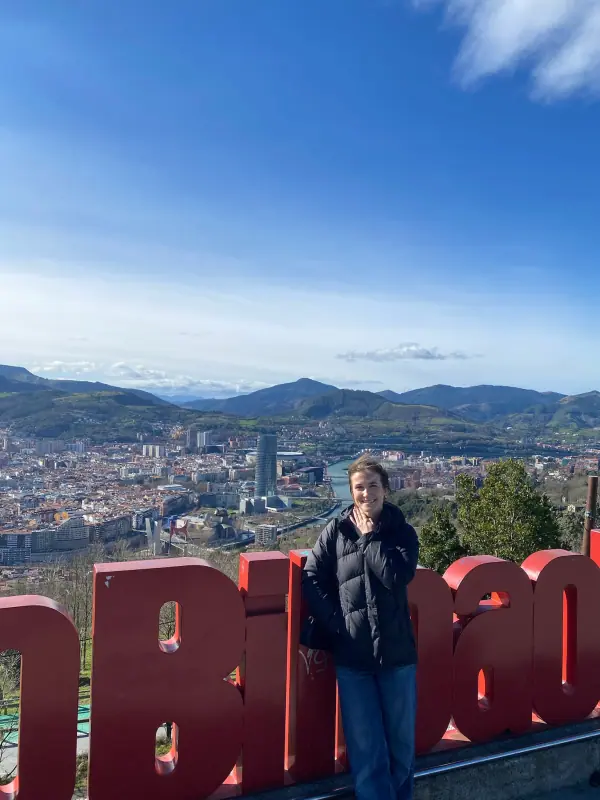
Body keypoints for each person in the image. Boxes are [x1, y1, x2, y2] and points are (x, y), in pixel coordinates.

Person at [302, 455, 419, 800]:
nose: (366, 494)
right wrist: (337, 623)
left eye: (372, 485)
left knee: (401, 749)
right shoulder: (336, 531)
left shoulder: (402, 532)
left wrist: (370, 540)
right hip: (353, 658)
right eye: (359, 487)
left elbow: (397, 576)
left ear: (385, 488)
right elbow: (310, 576)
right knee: (366, 751)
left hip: (397, 656)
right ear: (351, 491)